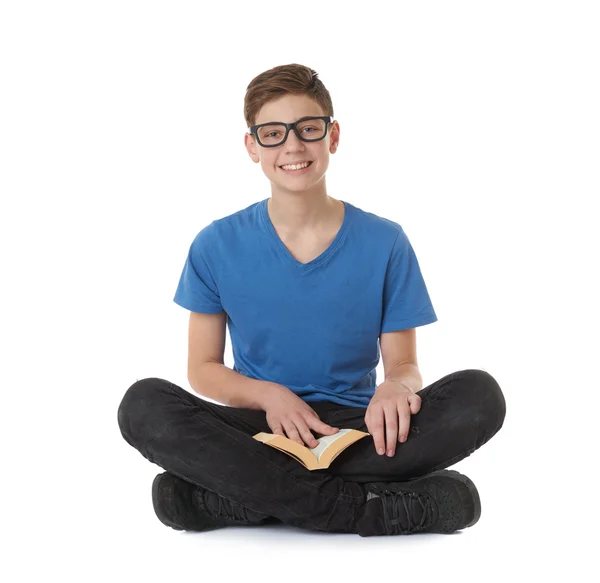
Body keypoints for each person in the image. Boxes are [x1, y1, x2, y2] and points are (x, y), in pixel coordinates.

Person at [117, 63, 506, 537]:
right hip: (256, 431)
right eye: (274, 134)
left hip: (357, 431)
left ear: (332, 136)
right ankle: (362, 508)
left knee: (480, 395)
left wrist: (396, 388)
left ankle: (232, 499)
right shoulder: (214, 244)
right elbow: (202, 368)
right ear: (252, 146)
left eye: (308, 129)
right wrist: (270, 396)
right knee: (142, 404)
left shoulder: (386, 242)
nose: (293, 147)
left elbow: (404, 365)